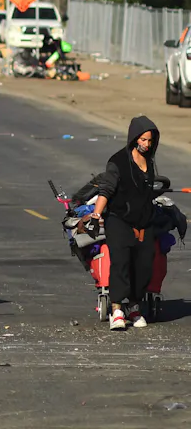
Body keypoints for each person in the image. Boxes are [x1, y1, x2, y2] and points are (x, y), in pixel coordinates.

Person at [88, 117, 160, 331]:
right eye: (143, 139)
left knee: (144, 265)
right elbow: (106, 190)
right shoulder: (118, 161)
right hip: (119, 220)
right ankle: (117, 309)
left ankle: (134, 307)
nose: (147, 144)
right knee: (121, 263)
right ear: (134, 138)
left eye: (150, 140)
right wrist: (96, 215)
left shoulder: (149, 161)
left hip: (144, 223)